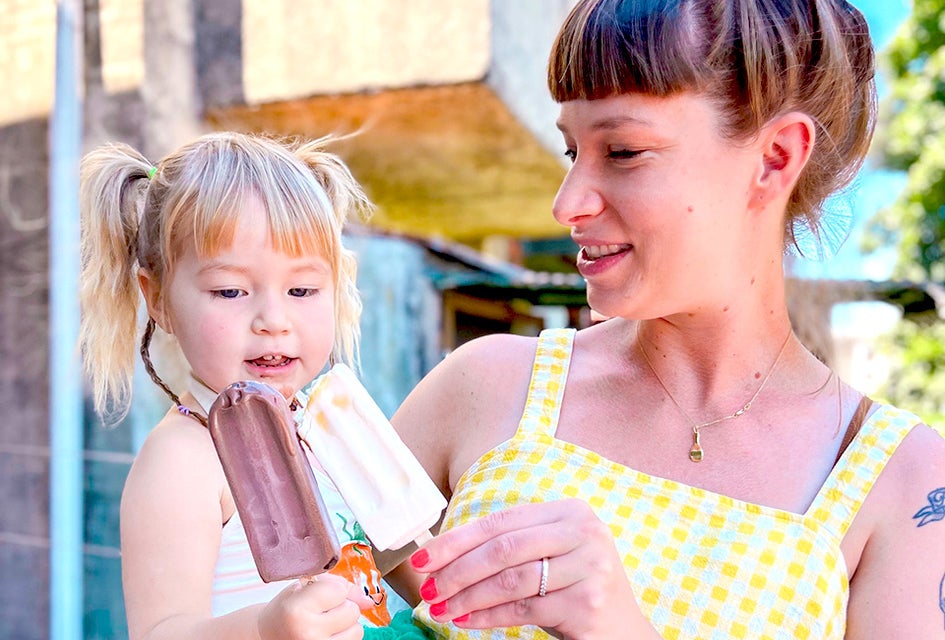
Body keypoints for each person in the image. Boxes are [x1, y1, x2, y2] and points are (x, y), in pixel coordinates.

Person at [387, 0, 945, 638]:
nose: (567, 202)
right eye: (573, 151)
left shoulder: (901, 478)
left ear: (775, 159)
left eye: (623, 151)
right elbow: (292, 590)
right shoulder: (485, 385)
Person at [79, 132, 429, 640]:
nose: (273, 319)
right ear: (157, 300)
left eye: (302, 289)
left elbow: (402, 555)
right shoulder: (183, 461)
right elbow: (162, 632)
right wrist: (265, 628)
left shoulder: (328, 424)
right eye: (229, 290)